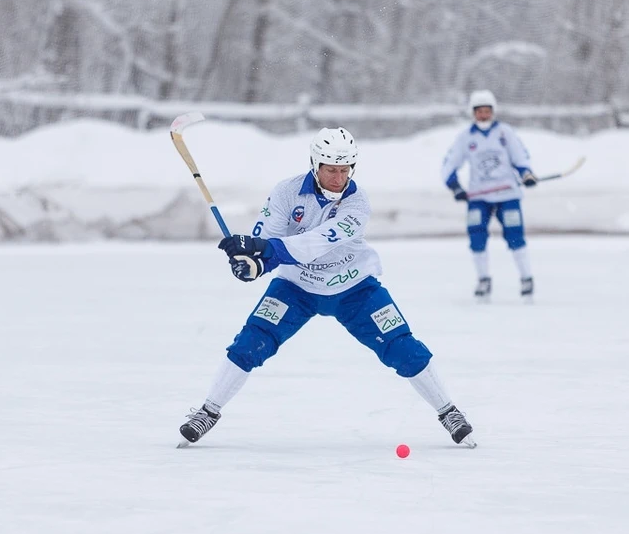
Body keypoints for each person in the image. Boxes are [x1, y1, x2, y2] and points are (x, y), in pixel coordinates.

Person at [178, 126, 476, 448]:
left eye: (344, 170)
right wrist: (252, 264)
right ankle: (208, 411)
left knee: (402, 347)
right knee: (252, 342)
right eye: (331, 170)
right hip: (296, 288)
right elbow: (268, 237)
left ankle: (448, 412)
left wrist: (267, 253)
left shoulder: (357, 204)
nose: (338, 177)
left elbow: (316, 242)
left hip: (355, 288)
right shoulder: (286, 192)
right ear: (315, 165)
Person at [440, 89, 537, 302]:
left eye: (487, 111)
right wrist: (455, 186)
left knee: (515, 236)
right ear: (473, 113)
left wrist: (526, 174)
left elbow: (521, 158)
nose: (483, 115)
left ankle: (526, 278)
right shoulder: (466, 137)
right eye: (479, 112)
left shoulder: (505, 133)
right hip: (478, 197)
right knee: (476, 237)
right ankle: (483, 279)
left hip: (507, 193)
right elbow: (449, 164)